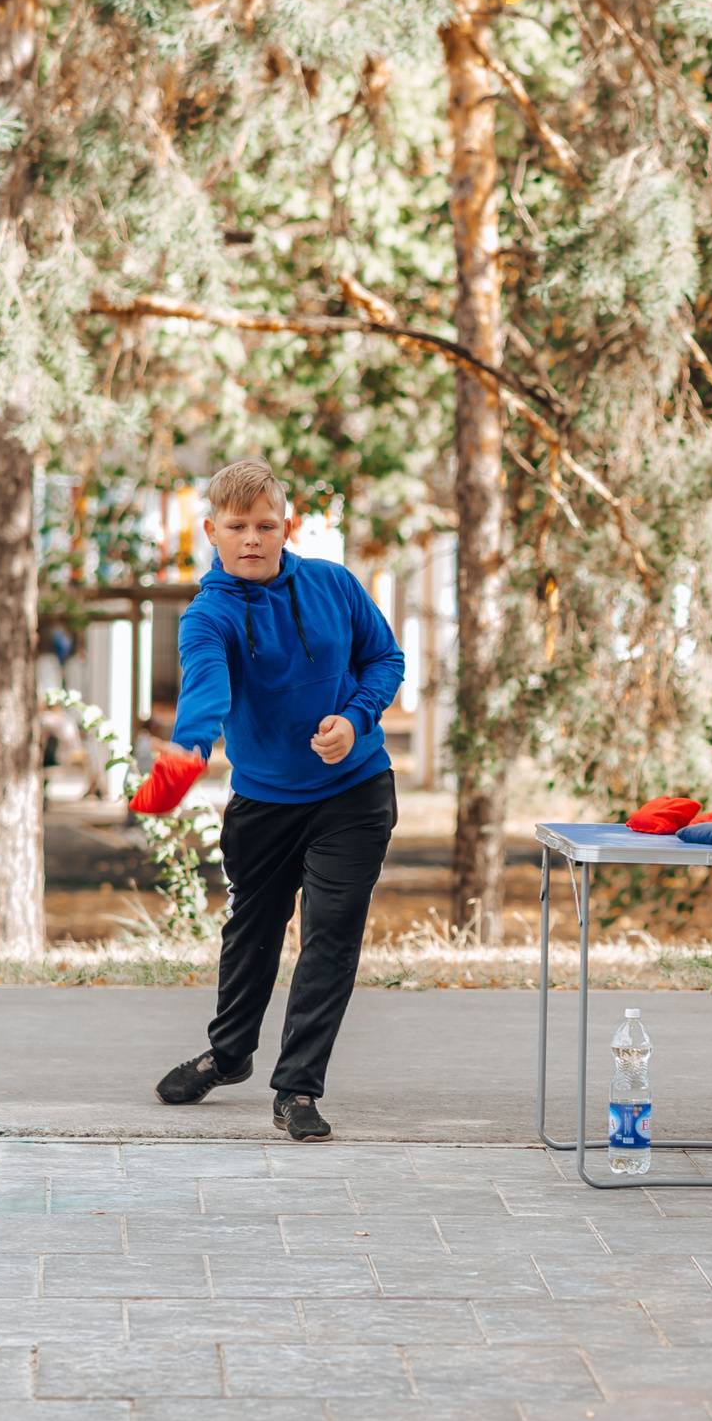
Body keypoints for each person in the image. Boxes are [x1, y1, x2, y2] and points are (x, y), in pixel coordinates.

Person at [151, 461, 407, 1142]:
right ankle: (229, 1053)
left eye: (266, 525)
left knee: (331, 933)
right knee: (253, 930)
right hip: (264, 802)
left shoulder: (333, 584)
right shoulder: (208, 617)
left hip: (354, 792)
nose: (252, 539)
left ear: (287, 526)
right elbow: (206, 690)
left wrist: (355, 718)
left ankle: (296, 1087)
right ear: (212, 531)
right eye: (237, 526)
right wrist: (185, 753)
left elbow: (385, 659)